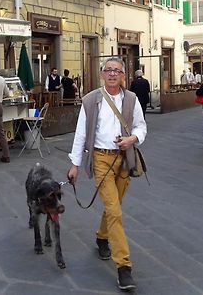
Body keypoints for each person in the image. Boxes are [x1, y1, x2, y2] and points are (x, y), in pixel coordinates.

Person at [67, 57, 147, 291]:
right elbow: (81, 133)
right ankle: (124, 267)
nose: (112, 74)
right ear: (102, 74)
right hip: (101, 158)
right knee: (114, 210)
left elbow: (141, 126)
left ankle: (102, 237)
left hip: (124, 159)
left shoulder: (131, 99)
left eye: (117, 71)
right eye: (108, 70)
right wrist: (75, 164)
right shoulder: (91, 99)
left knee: (115, 207)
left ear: (124, 75)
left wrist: (133, 138)